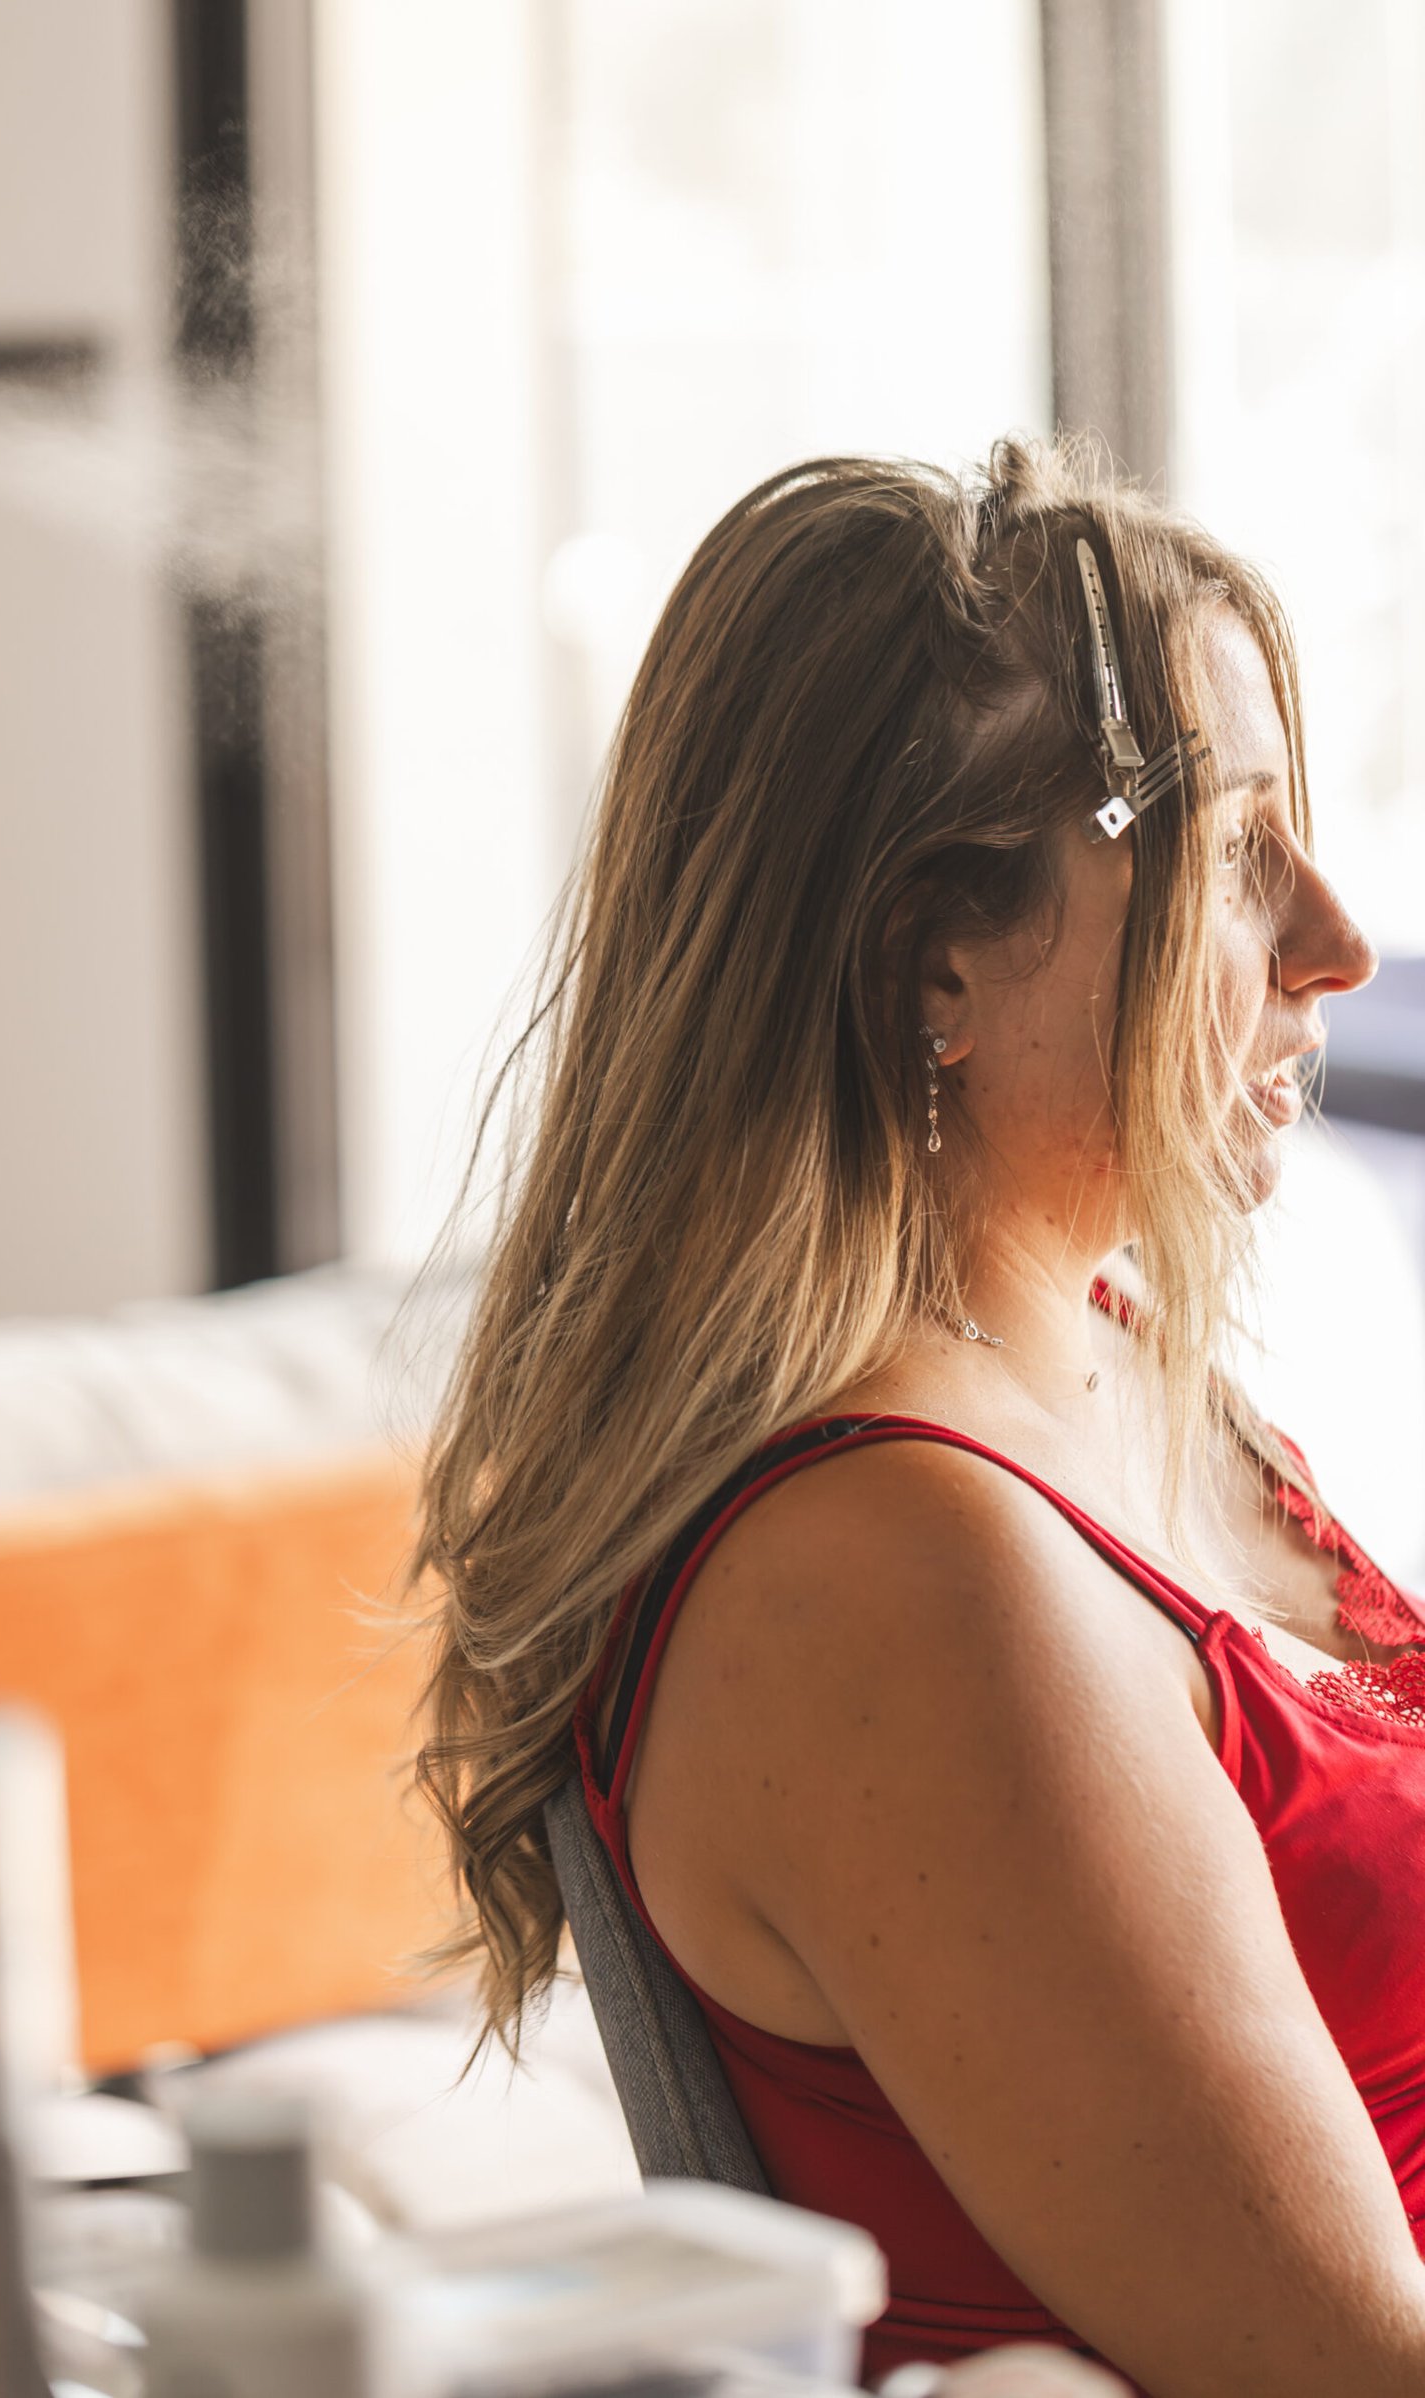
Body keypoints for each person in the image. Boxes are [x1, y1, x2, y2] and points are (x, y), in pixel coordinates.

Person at [409, 439, 1425, 2395]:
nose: (1334, 943)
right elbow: (1356, 2367)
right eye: (1232, 855)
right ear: (933, 957)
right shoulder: (893, 1573)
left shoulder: (1101, 1347)